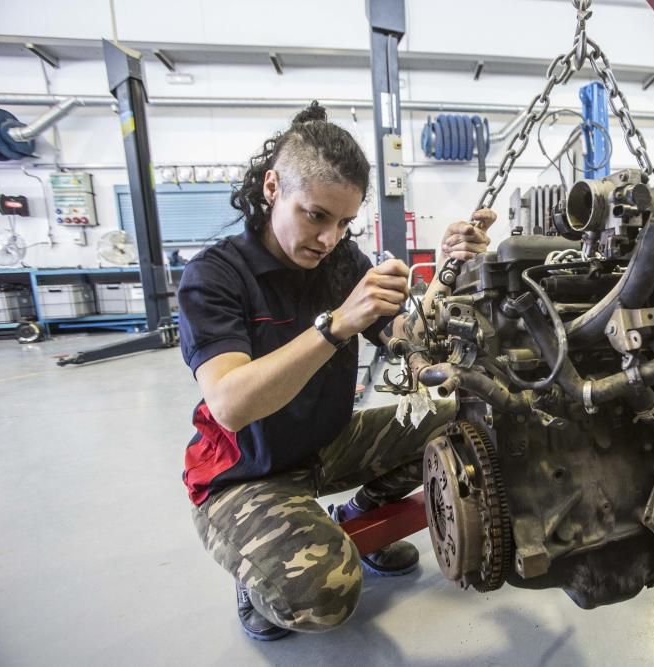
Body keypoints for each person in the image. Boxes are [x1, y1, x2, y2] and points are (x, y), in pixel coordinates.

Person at [177, 101, 495, 641]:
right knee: (325, 595)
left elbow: (409, 335)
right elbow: (230, 404)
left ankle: (357, 509)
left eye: (345, 222)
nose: (329, 238)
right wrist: (337, 324)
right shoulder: (216, 275)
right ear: (273, 188)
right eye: (316, 216)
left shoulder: (341, 260)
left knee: (461, 418)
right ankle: (255, 573)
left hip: (326, 443)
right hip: (244, 472)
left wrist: (449, 268)